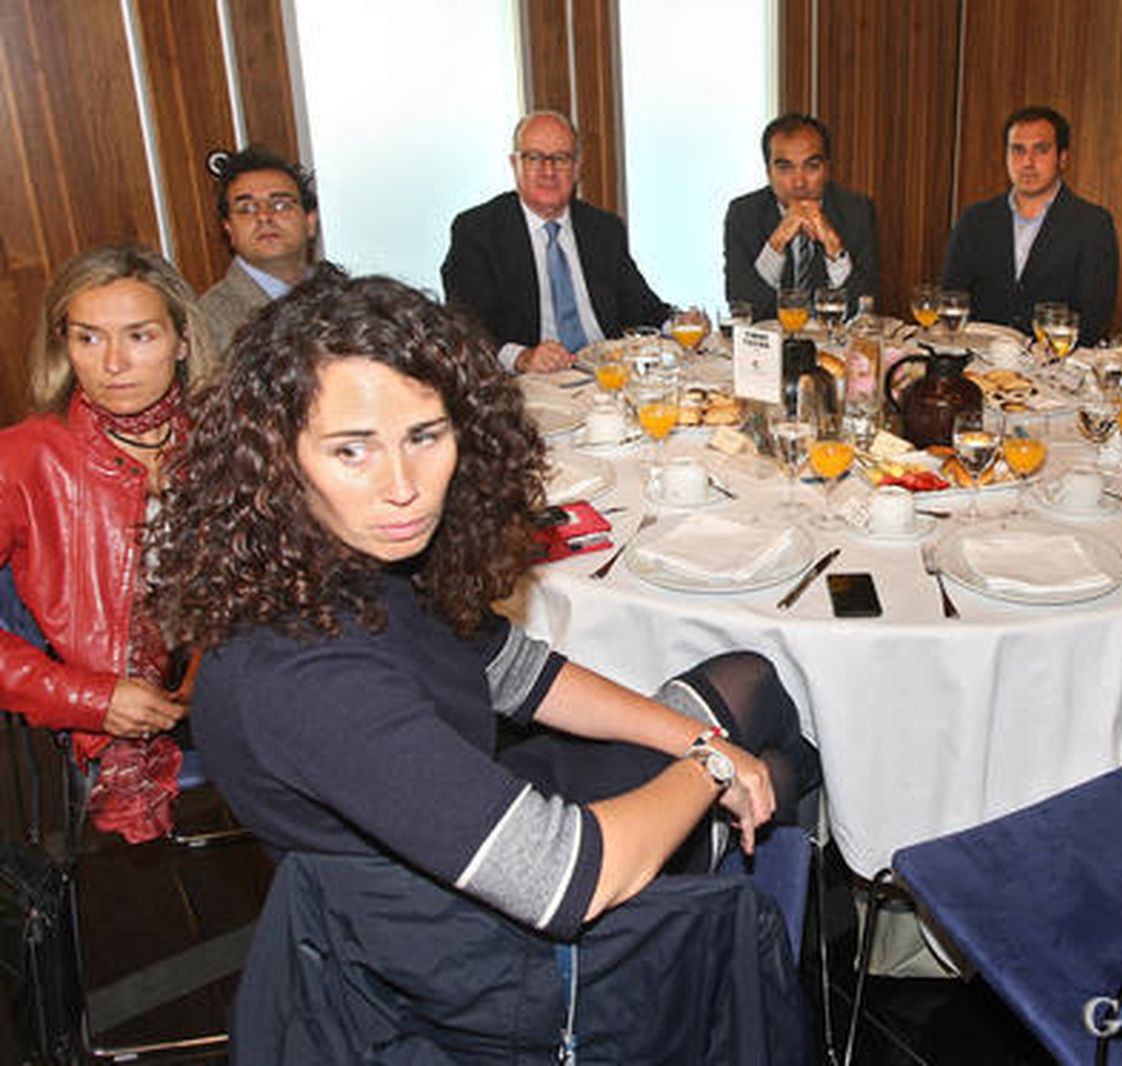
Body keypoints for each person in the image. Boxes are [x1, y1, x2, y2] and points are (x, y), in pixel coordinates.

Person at [149, 267, 817, 1062]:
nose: (403, 487)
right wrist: (710, 764)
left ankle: (751, 910)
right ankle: (748, 960)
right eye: (351, 450)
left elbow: (521, 673)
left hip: (457, 825)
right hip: (479, 955)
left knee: (757, 689)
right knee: (778, 763)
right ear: (277, 457)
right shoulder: (303, 675)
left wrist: (692, 745)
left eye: (424, 437)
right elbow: (570, 878)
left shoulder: (346, 557)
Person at [0, 245, 220, 843]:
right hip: (93, 728)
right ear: (63, 345)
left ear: (180, 340)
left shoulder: (225, 441)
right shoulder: (22, 458)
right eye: (89, 338)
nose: (113, 363)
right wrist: (87, 697)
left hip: (229, 685)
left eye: (140, 336)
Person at [442, 111, 672, 374]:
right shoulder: (478, 231)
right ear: (514, 163)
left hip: (607, 377)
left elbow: (642, 308)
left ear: (577, 167)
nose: (548, 171)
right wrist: (522, 357)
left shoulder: (603, 229)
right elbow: (464, 327)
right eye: (534, 158)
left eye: (560, 159)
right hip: (532, 384)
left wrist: (676, 323)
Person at [941, 105, 1118, 346]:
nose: (1027, 162)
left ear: (1063, 157)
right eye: (1017, 150)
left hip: (1054, 369)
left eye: (1041, 150)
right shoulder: (974, 220)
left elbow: (1092, 318)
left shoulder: (1093, 225)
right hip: (978, 363)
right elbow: (951, 300)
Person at [723, 113, 880, 321]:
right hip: (770, 348)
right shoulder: (743, 214)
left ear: (827, 169)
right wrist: (777, 242)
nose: (799, 182)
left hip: (834, 346)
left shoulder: (856, 211)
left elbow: (863, 307)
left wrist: (834, 247)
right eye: (785, 168)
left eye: (811, 167)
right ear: (768, 172)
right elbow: (743, 307)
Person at [198, 146, 319, 348]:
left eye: (280, 204)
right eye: (247, 209)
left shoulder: (347, 300)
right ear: (229, 230)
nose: (264, 216)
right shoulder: (207, 321)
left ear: (310, 222)